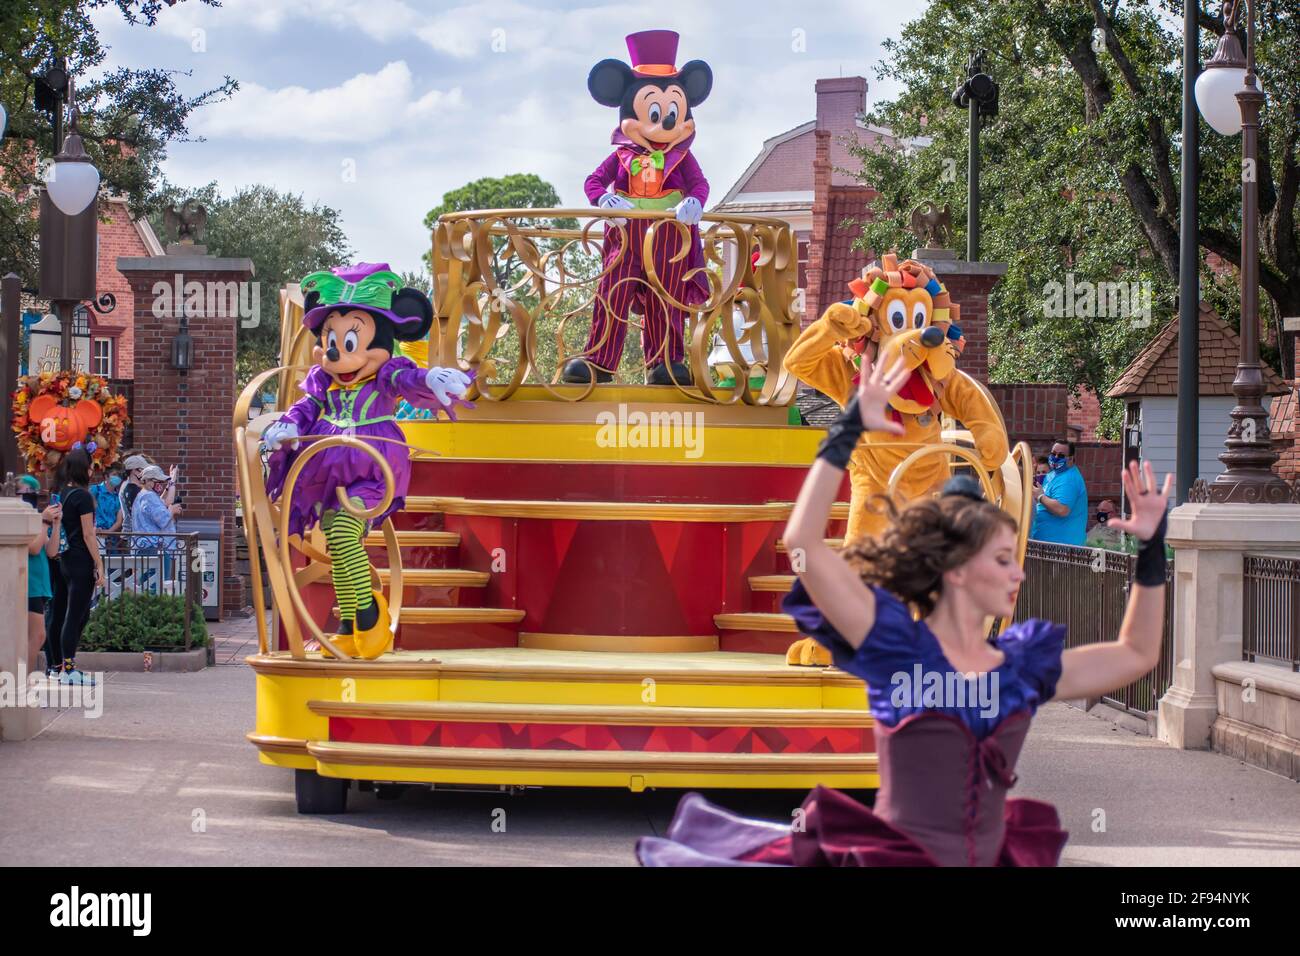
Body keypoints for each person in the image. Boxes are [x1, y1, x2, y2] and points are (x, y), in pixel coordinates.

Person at [636, 357, 1172, 866]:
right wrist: (848, 431)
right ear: (957, 569)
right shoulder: (893, 646)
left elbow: (1137, 652)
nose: (1019, 573)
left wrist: (1152, 548)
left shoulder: (1021, 666)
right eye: (1004, 559)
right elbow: (803, 542)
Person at [47, 449, 106, 685]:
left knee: (59, 613)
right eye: (91, 466)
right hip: (81, 560)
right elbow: (88, 533)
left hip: (63, 559)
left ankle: (56, 666)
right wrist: (99, 563)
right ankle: (69, 670)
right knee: (76, 616)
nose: (93, 471)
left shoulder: (62, 493)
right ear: (84, 468)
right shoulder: (82, 496)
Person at [19, 475, 61, 681]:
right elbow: (33, 548)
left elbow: (51, 551)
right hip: (27, 584)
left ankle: (20, 682)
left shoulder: (37, 518)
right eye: (25, 493)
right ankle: (19, 683)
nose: (29, 497)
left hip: (39, 585)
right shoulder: (17, 519)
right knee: (36, 636)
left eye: (32, 493)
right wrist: (45, 521)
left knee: (35, 637)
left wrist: (56, 524)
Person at [1030, 440, 1088, 546]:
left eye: (1061, 455)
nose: (1055, 457)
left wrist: (1040, 497)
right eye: (1053, 454)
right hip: (1047, 547)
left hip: (1062, 550)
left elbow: (1062, 510)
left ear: (1071, 458)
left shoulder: (1069, 479)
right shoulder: (1052, 474)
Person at [118, 453, 150, 534]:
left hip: (135, 534)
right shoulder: (129, 488)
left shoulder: (134, 486)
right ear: (134, 470)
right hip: (133, 535)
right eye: (142, 470)